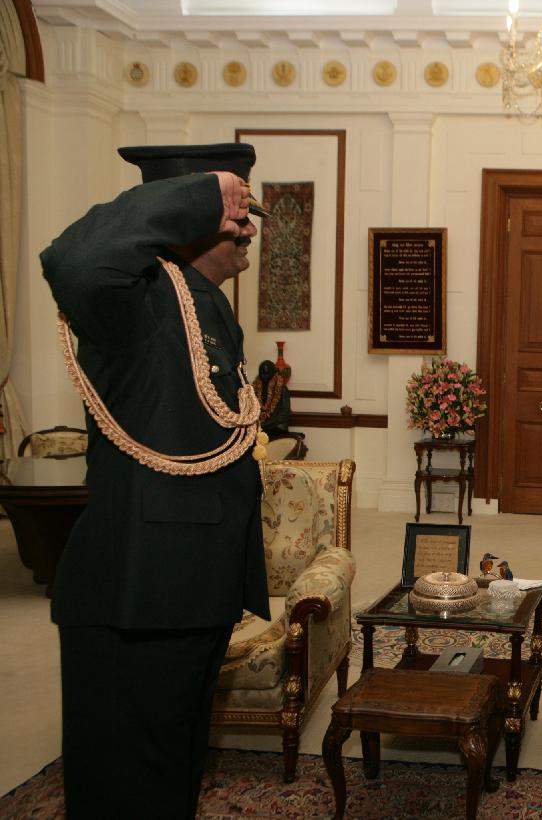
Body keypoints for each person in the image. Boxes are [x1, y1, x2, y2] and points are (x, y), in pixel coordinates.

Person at [40, 143, 272, 818]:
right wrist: (200, 197)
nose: (248, 230)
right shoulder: (133, 302)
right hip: (138, 595)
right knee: (127, 783)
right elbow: (71, 260)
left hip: (187, 593)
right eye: (236, 215)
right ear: (185, 220)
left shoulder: (203, 304)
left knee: (170, 773)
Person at [253, 358, 292, 436]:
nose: (264, 376)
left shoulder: (281, 388)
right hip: (260, 424)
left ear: (274, 373)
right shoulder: (255, 387)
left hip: (275, 425)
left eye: (266, 374)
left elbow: (285, 412)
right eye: (261, 373)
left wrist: (268, 424)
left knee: (281, 426)